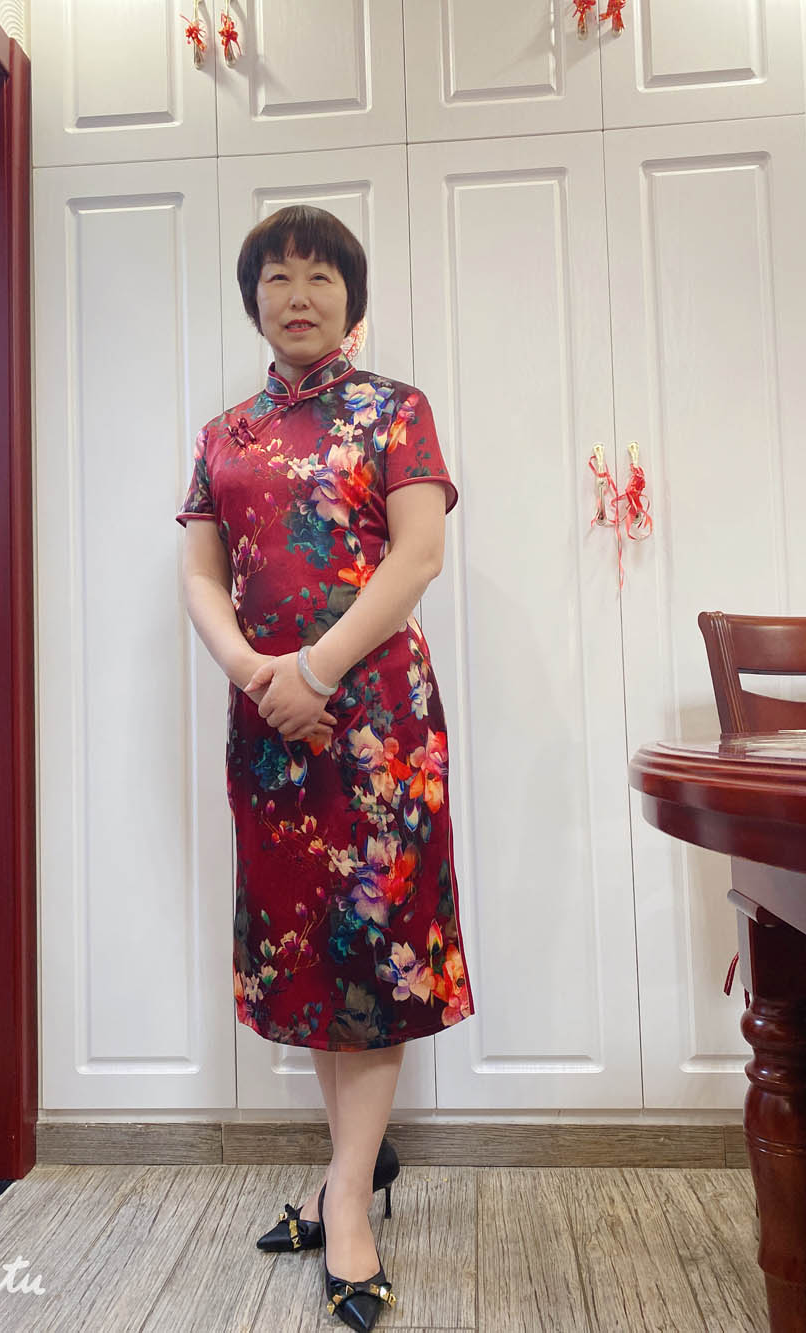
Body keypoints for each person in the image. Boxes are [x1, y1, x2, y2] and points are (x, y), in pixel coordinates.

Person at [176, 204, 475, 1330]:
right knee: (306, 951)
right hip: (270, 727)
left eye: (318, 277)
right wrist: (257, 674)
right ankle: (354, 1164)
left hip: (376, 724)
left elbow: (419, 554)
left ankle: (345, 1197)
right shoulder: (224, 433)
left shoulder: (396, 410)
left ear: (352, 297)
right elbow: (201, 575)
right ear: (252, 298)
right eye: (277, 277)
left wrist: (314, 668)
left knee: (373, 948)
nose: (297, 296)